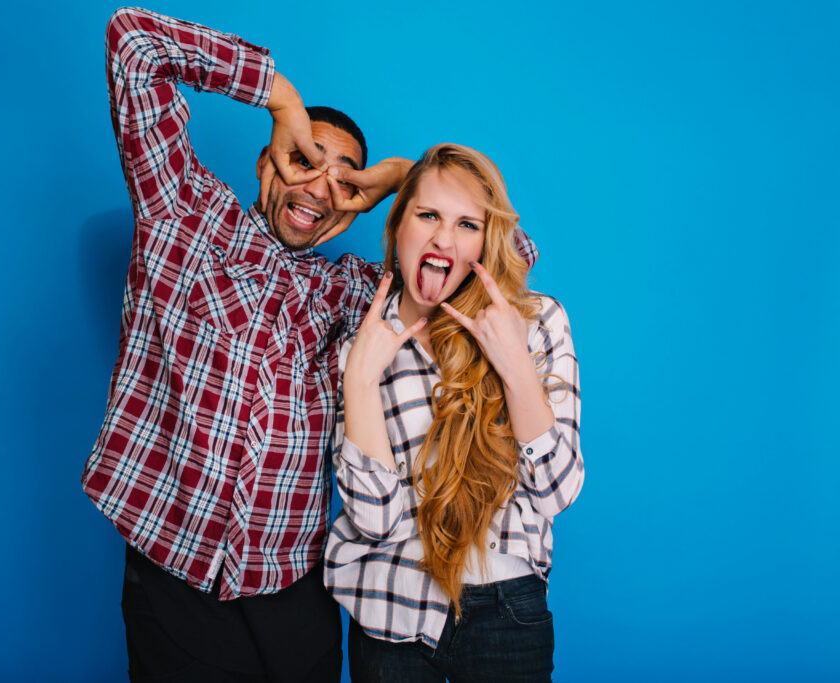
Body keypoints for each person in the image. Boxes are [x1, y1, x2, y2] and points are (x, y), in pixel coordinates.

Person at [82, 8, 539, 681]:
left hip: (296, 586)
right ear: (267, 162)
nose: (322, 186)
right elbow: (133, 42)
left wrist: (406, 183)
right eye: (304, 159)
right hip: (173, 574)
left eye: (345, 178)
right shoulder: (182, 215)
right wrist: (279, 96)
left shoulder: (359, 294)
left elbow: (505, 261)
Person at [325, 144, 583, 682]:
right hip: (390, 608)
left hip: (507, 609)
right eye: (427, 216)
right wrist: (360, 379)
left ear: (485, 243)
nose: (444, 238)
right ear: (397, 227)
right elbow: (375, 523)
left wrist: (514, 367)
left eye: (467, 224)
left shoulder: (535, 322)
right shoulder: (361, 347)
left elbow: (557, 490)